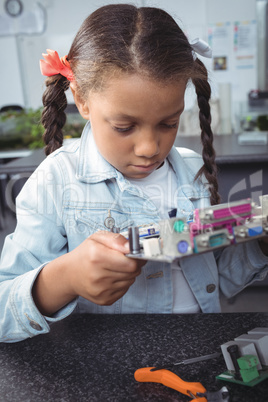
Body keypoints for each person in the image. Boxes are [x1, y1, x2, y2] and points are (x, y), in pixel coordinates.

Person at [0, 4, 268, 343]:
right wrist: (63, 279)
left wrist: (260, 245)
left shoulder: (189, 169)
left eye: (169, 123)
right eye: (124, 127)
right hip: (108, 366)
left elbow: (216, 279)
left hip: (199, 350)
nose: (149, 148)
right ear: (81, 100)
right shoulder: (55, 181)